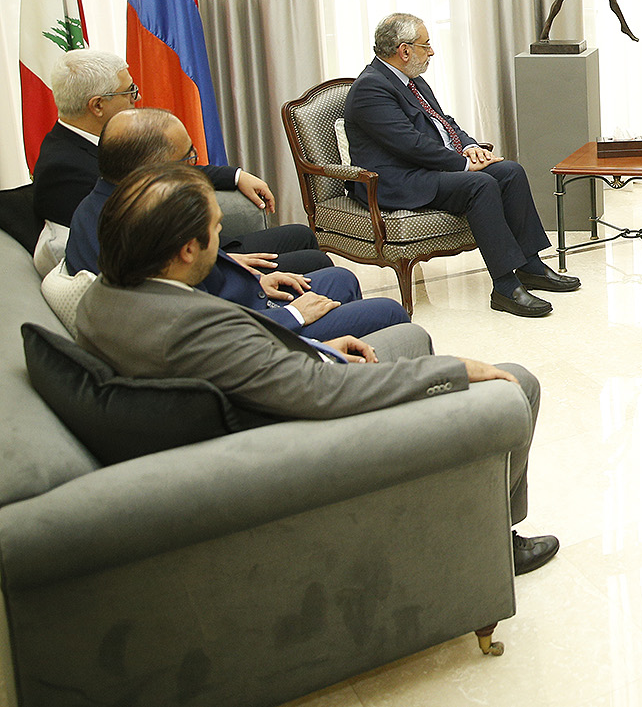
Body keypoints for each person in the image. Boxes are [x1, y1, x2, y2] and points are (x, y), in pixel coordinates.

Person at [75, 161, 559, 575]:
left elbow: (248, 360)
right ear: (186, 250)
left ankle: (485, 519)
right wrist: (453, 370)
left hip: (281, 388)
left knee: (409, 337)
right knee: (518, 384)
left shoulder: (103, 297)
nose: (222, 242)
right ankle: (487, 541)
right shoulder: (192, 327)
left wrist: (317, 346)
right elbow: (325, 393)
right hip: (308, 441)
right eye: (217, 230)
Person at [66, 109, 410, 343]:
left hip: (243, 305)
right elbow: (197, 328)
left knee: (341, 278)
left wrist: (252, 279)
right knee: (388, 311)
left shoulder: (119, 203)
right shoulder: (128, 227)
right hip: (250, 330)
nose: (195, 165)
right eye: (188, 158)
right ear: (154, 169)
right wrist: (292, 316)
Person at [344, 13, 579, 319]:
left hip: (427, 168)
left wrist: (470, 147)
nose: (431, 52)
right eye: (425, 45)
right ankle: (505, 287)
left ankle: (530, 266)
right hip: (397, 180)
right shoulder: (370, 89)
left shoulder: (411, 81)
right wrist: (464, 164)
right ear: (404, 51)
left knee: (510, 172)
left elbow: (444, 123)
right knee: (480, 184)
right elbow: (409, 144)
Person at [32, 49, 312, 268]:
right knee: (313, 260)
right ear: (97, 105)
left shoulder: (97, 141)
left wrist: (235, 176)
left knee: (302, 235)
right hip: (182, 266)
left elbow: (160, 170)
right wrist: (222, 263)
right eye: (129, 92)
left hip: (193, 251)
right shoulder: (64, 172)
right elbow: (131, 253)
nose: (137, 98)